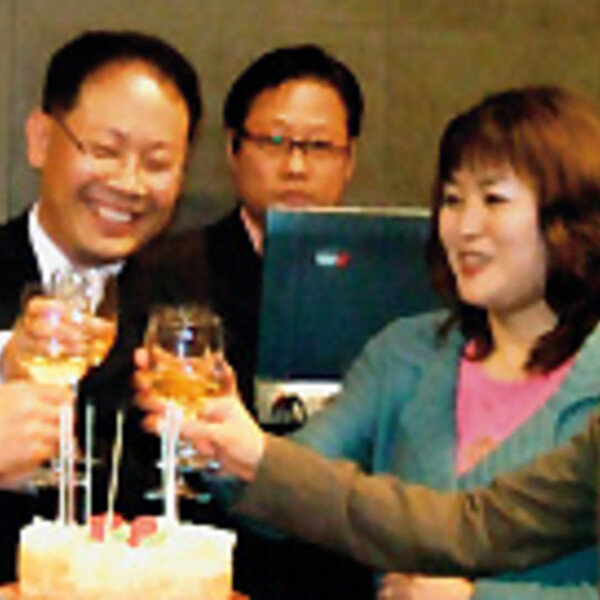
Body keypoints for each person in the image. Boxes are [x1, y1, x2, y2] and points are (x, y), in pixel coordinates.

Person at [146, 85, 600, 598]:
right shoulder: (406, 352)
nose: (464, 226)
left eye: (494, 199)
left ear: (569, 216)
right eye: (452, 200)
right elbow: (306, 498)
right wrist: (224, 445)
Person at [149, 44, 369, 599]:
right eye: (274, 142)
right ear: (232, 148)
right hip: (213, 568)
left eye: (318, 146)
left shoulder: (391, 284)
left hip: (352, 569)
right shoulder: (163, 270)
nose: (296, 166)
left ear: (349, 160)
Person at [0, 29, 202, 582]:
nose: (129, 184)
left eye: (157, 163)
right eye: (106, 152)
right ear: (41, 140)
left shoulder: (192, 310)